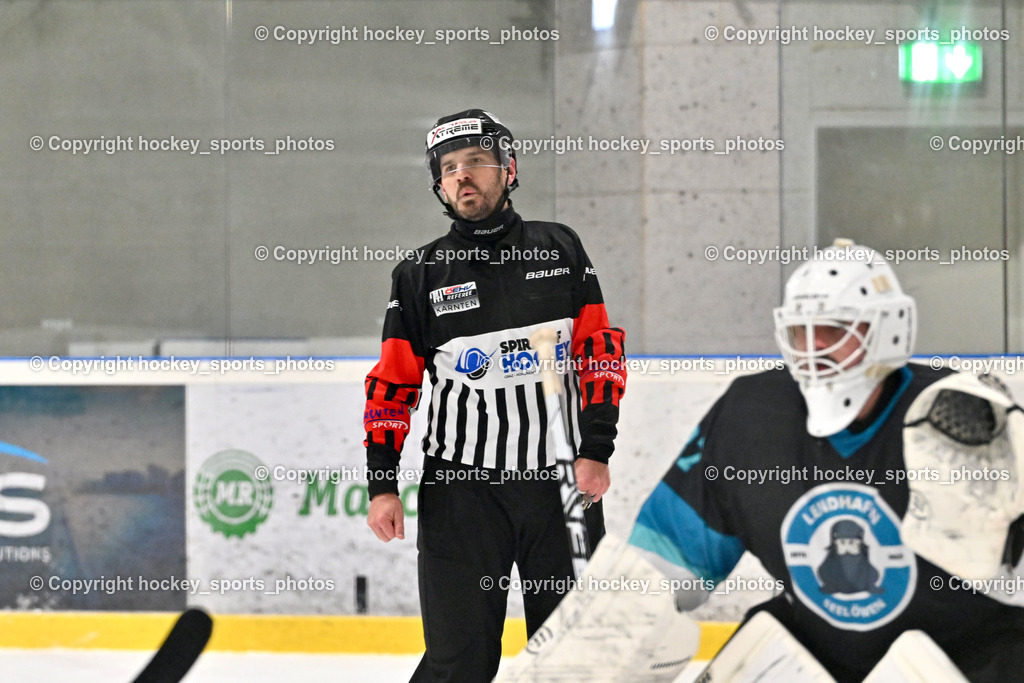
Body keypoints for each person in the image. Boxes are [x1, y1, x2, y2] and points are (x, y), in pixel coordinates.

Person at [627, 240, 1024, 681]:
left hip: (962, 656)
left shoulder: (963, 420)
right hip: (823, 653)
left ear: (887, 331)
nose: (815, 347)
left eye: (835, 329)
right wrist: (611, 640)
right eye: (802, 330)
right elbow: (660, 567)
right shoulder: (751, 417)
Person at [362, 108, 627, 682]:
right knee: (458, 663)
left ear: (509, 168)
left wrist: (596, 449)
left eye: (476, 161)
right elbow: (393, 385)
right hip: (461, 495)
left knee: (571, 659)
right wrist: (382, 483)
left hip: (562, 489)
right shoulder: (420, 274)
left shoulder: (560, 248)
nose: (461, 175)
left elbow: (599, 351)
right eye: (448, 167)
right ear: (439, 184)